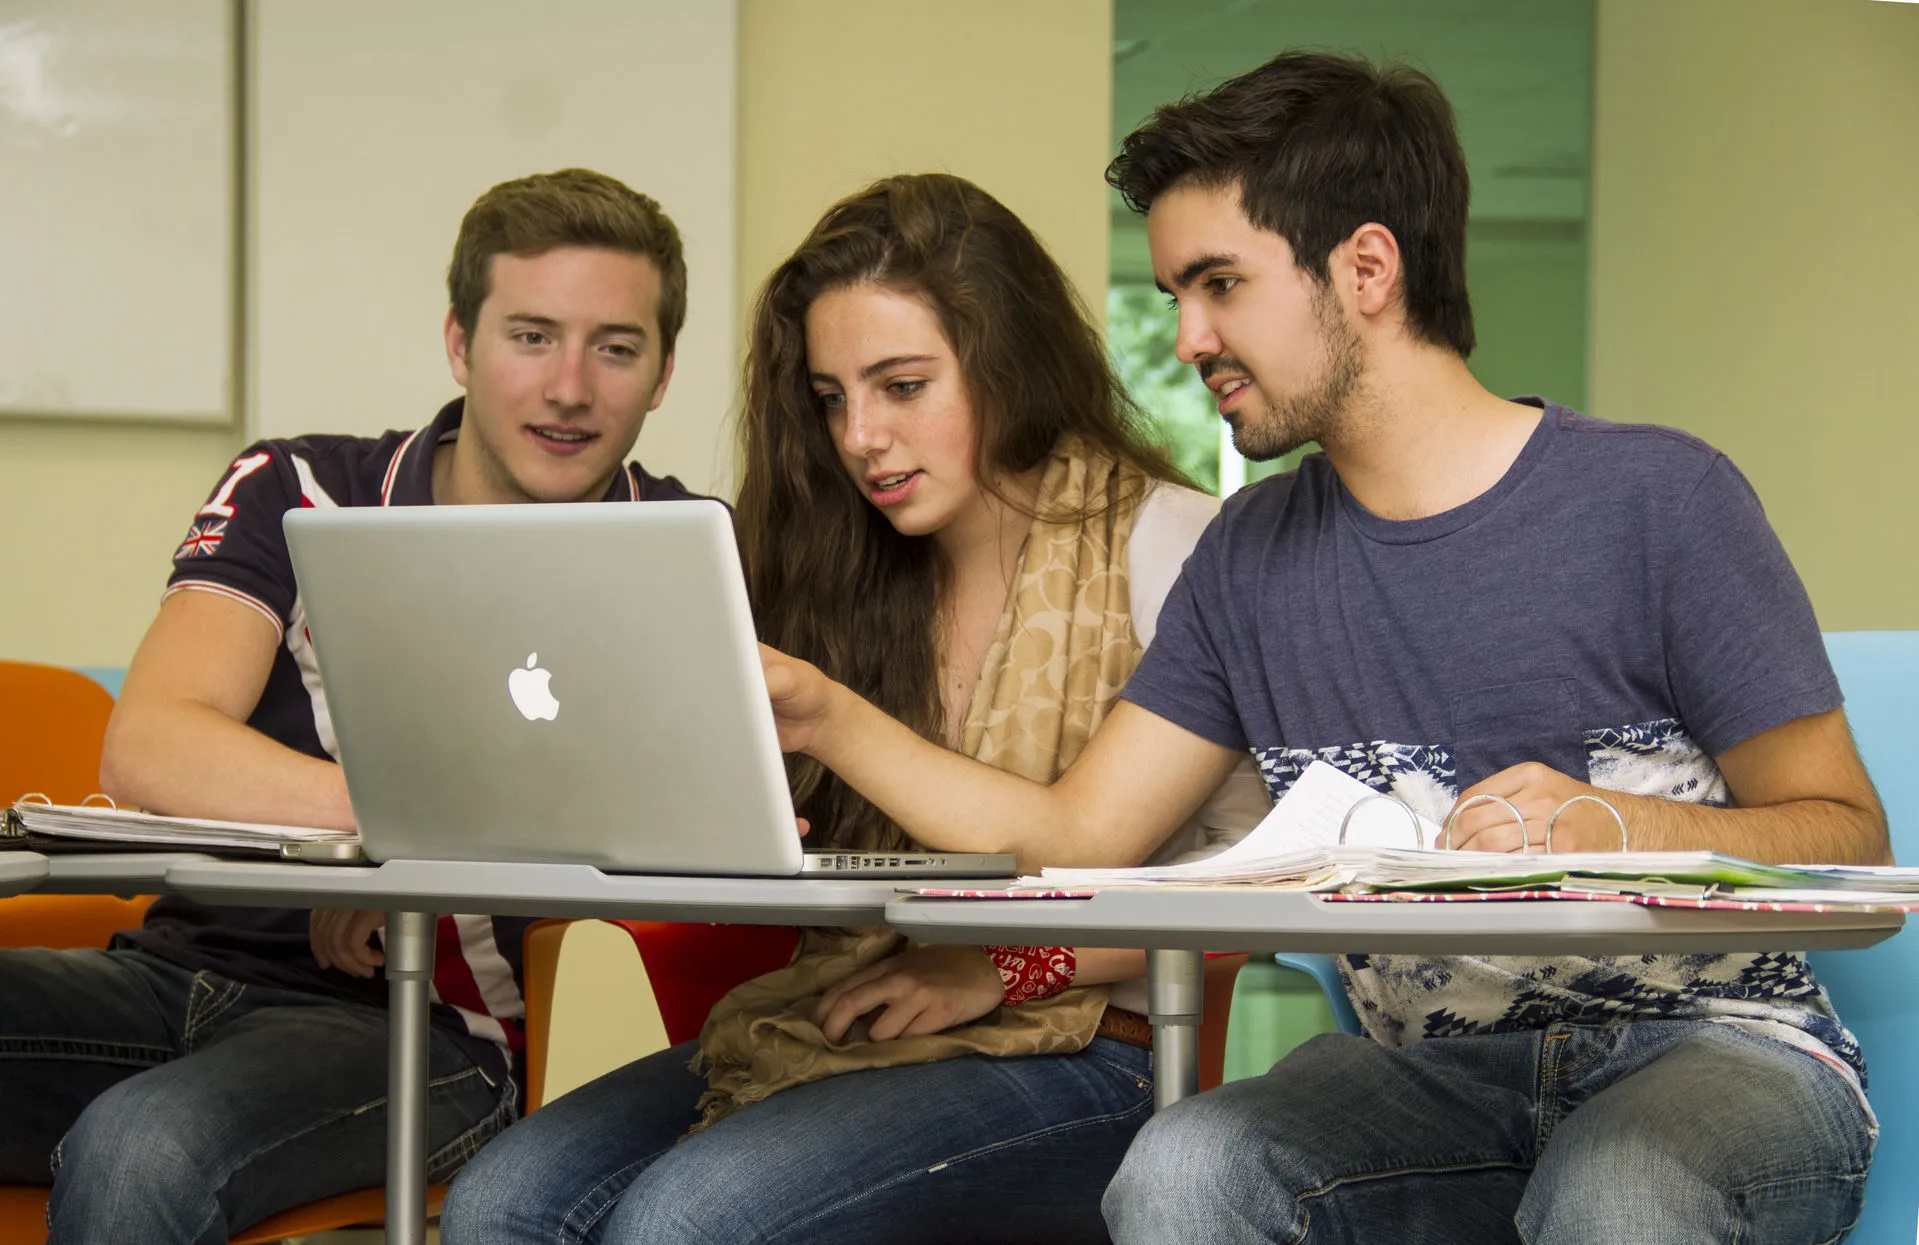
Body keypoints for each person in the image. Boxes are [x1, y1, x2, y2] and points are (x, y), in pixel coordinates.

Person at [754, 54, 1890, 1245]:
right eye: (1173, 294)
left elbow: (1843, 836)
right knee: (1185, 1167)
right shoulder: (1248, 557)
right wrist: (821, 711)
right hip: (1433, 1082)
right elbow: (1078, 840)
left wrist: (1617, 826)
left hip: (1717, 1052)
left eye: (1218, 284)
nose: (1186, 336)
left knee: (1617, 1197)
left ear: (1363, 269)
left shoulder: (1659, 499)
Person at [439, 172, 1267, 1244]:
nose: (861, 436)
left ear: (1006, 364)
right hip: (846, 1009)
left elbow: (1245, 896)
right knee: (500, 1203)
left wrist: (1002, 963)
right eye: (832, 398)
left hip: (1094, 1043)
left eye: (902, 385)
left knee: (686, 1221)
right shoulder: (844, 569)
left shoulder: (1172, 548)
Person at [0, 167, 699, 1244]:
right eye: (529, 336)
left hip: (426, 1032)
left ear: (659, 377)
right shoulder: (297, 488)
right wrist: (388, 830)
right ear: (459, 344)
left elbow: (676, 806)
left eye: (614, 347)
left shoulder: (678, 550)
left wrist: (407, 854)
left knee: (144, 1145)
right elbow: (152, 745)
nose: (569, 386)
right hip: (166, 972)